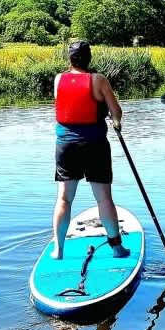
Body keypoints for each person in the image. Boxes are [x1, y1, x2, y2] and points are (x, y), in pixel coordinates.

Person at [52, 40, 129, 261]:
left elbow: (65, 105)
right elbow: (116, 112)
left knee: (64, 199)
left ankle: (59, 249)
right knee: (103, 199)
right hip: (94, 145)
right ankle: (117, 249)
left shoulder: (58, 80)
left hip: (66, 145)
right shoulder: (99, 80)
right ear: (89, 58)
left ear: (70, 58)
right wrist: (116, 122)